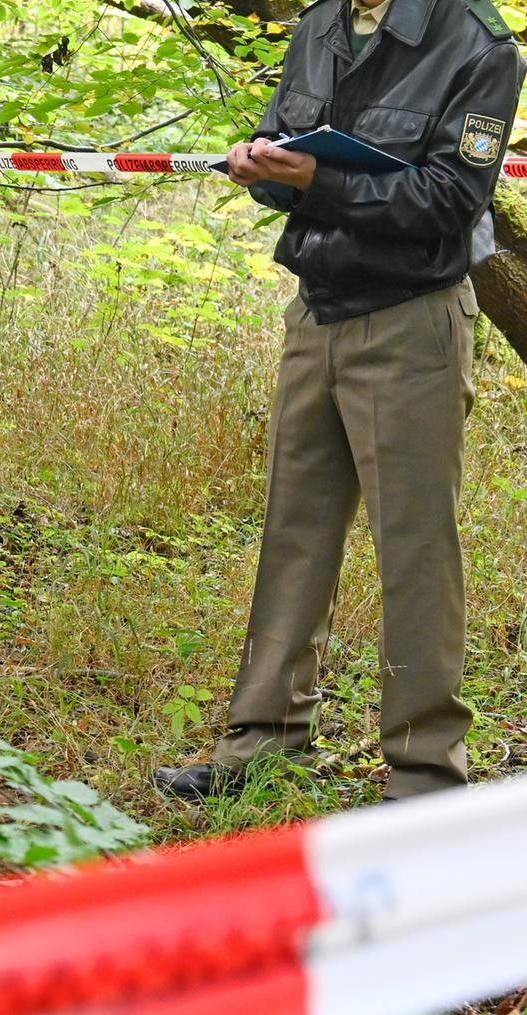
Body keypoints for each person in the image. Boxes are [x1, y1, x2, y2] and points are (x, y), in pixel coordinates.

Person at [157, 0, 522, 804]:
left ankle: (426, 777)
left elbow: (449, 200)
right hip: (315, 310)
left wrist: (319, 181)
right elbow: (283, 153)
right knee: (294, 532)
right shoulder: (319, 26)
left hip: (412, 320)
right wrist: (259, 166)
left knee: (415, 550)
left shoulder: (477, 43)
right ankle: (262, 742)